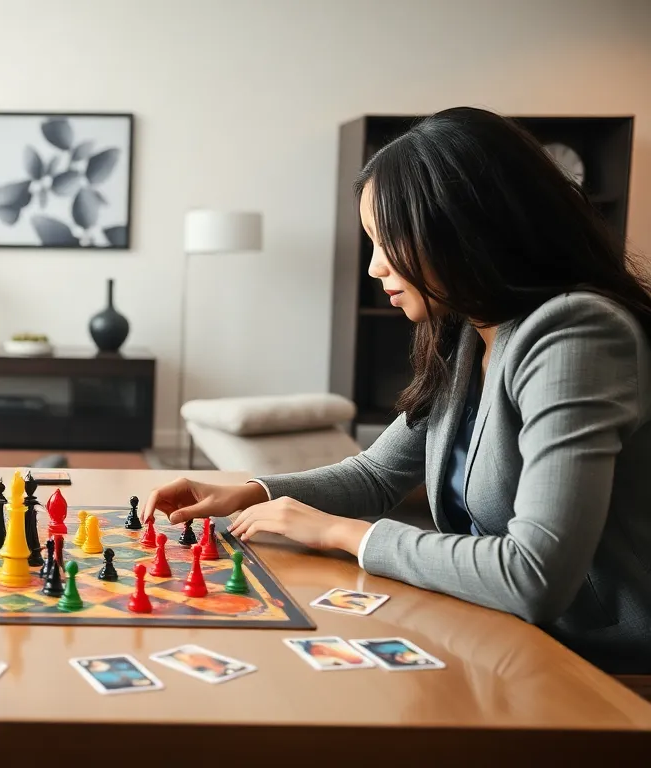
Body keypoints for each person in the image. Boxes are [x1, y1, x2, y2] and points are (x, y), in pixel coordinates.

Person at [147, 107, 651, 675]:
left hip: (604, 668)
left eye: (387, 241)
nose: (373, 267)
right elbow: (375, 476)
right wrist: (248, 492)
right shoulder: (466, 330)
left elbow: (532, 575)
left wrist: (342, 534)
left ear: (465, 229)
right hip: (504, 637)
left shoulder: (574, 333)